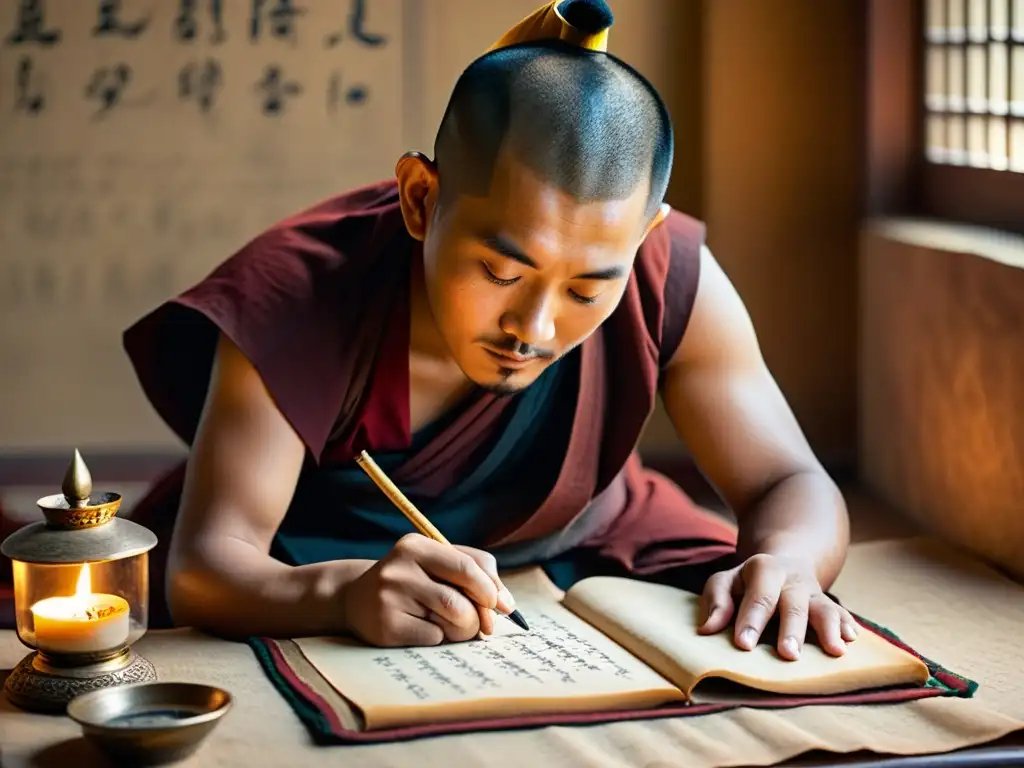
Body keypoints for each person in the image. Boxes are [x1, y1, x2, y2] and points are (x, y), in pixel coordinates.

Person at [122, 0, 855, 662]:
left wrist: (790, 559)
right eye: (503, 272)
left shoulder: (669, 271)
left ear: (644, 237)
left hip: (590, 539)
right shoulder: (300, 295)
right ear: (420, 198)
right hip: (327, 554)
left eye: (588, 286)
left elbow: (788, 480)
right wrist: (338, 595)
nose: (533, 327)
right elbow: (208, 565)